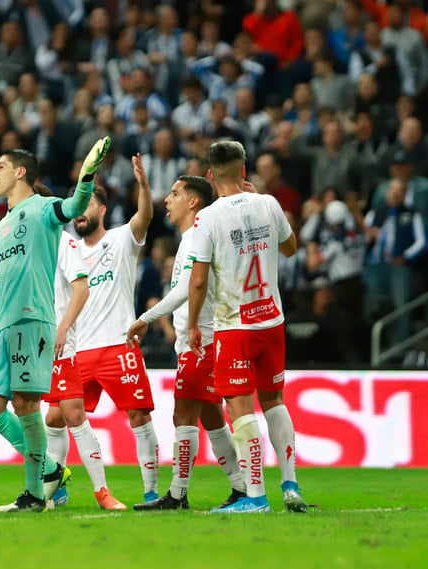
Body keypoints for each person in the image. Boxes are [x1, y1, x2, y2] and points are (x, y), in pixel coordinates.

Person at [0, 140, 110, 512]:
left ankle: (33, 495)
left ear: (20, 172)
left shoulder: (44, 209)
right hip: (4, 326)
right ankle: (50, 469)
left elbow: (75, 206)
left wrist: (86, 176)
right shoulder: (3, 223)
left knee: (27, 406)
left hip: (33, 319)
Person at [188, 140, 308, 514]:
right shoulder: (269, 204)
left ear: (210, 175)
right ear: (244, 170)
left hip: (234, 325)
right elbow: (291, 249)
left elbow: (198, 281)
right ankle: (290, 484)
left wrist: (193, 322)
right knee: (274, 401)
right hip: (271, 321)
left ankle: (255, 496)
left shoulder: (207, 217)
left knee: (239, 407)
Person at [126, 175, 247, 511]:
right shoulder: (190, 238)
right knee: (211, 416)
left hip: (202, 341)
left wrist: (145, 318)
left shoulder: (198, 237)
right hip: (198, 341)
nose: (168, 200)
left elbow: (184, 290)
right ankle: (240, 487)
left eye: (176, 194)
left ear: (193, 202)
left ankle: (178, 494)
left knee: (183, 414)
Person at [72, 154, 159, 506]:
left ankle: (151, 491)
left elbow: (146, 217)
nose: (79, 211)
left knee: (139, 415)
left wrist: (144, 185)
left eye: (86, 203)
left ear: (102, 209)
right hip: (78, 349)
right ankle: (57, 486)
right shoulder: (67, 249)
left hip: (117, 345)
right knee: (57, 415)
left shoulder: (123, 239)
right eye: (76, 204)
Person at [43, 229, 127, 511]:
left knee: (74, 413)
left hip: (57, 345)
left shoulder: (61, 240)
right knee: (53, 418)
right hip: (30, 341)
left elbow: (81, 287)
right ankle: (52, 491)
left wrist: (63, 327)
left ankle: (101, 491)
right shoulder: (24, 237)